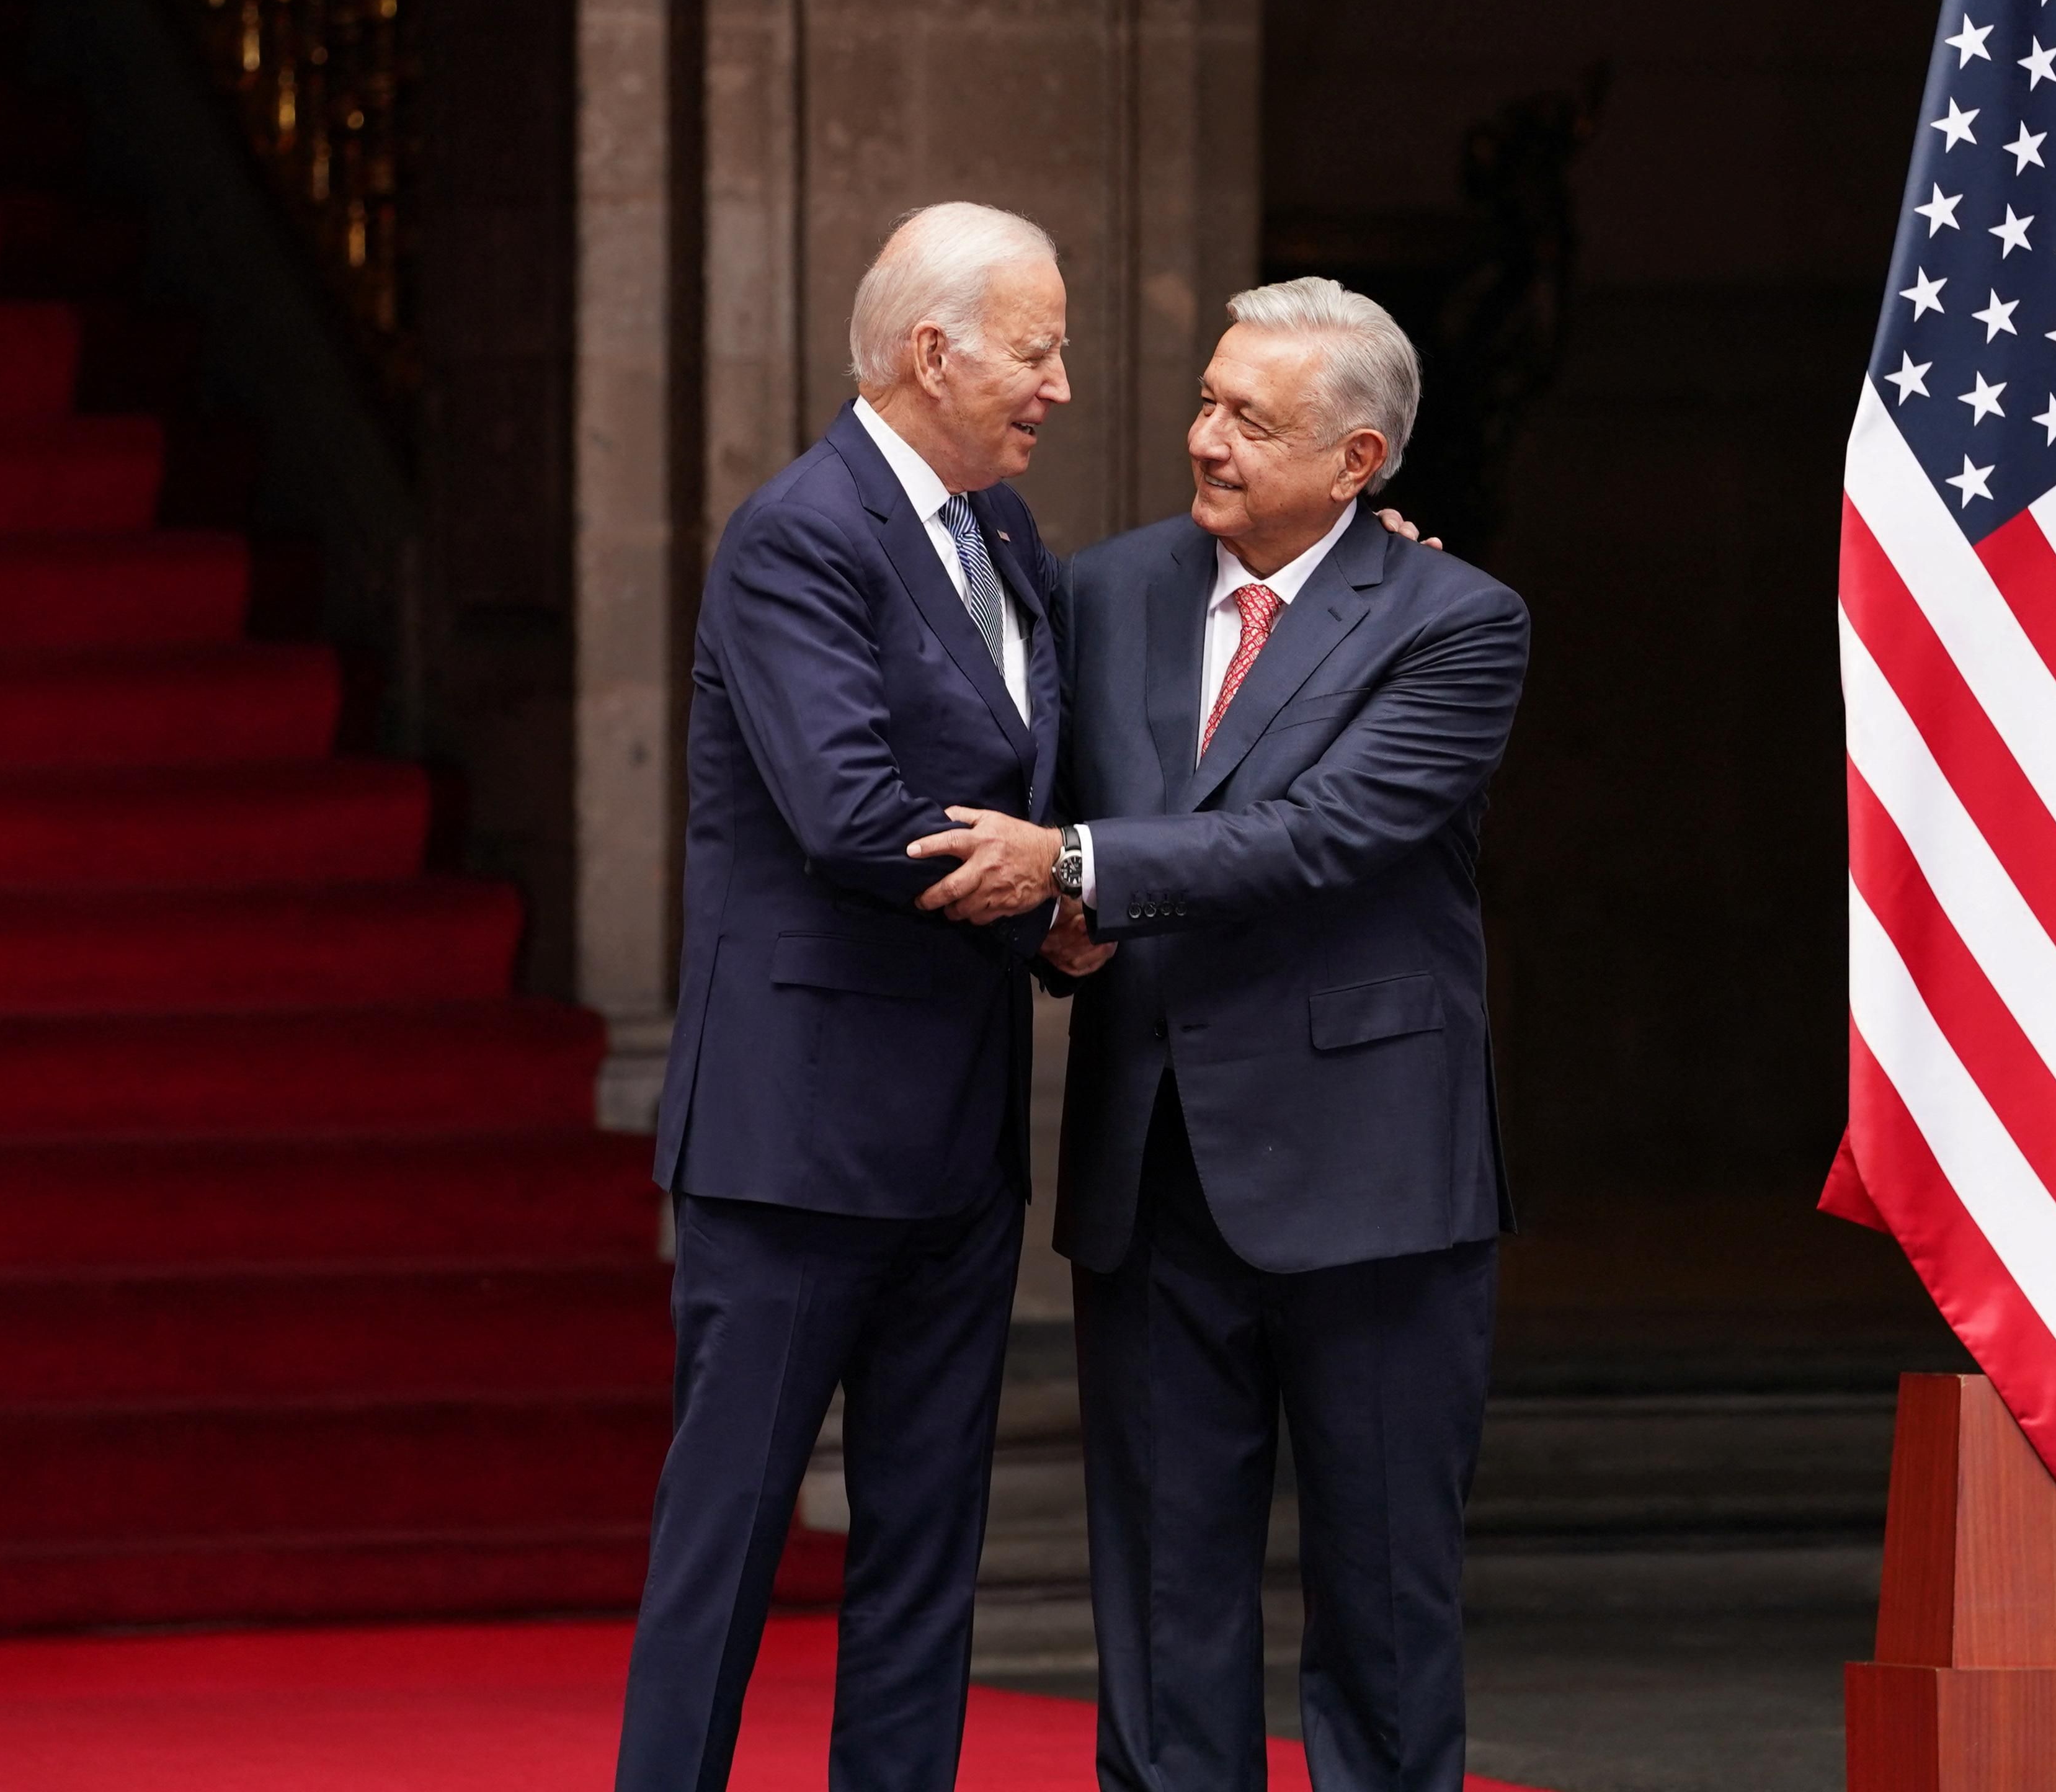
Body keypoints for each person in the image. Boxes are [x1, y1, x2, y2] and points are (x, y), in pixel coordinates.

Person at [914, 278, 1529, 1792]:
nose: (1207, 440)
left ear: (1359, 460)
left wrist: (1075, 865)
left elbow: (1319, 835)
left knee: (1384, 1610)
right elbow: (1033, 794)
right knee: (1163, 1604)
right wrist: (1053, 920)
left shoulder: (1458, 622)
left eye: (1254, 420)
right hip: (1154, 1170)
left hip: (1372, 1181)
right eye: (1206, 400)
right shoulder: (1107, 587)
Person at [613, 202, 1077, 1792]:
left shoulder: (1008, 536)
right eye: (1038, 348)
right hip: (795, 1140)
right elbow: (845, 805)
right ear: (934, 352)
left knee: (927, 1550)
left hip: (959, 1139)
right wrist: (1056, 885)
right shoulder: (799, 531)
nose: (1061, 384)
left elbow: (1095, 707)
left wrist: (1367, 566)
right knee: (727, 1542)